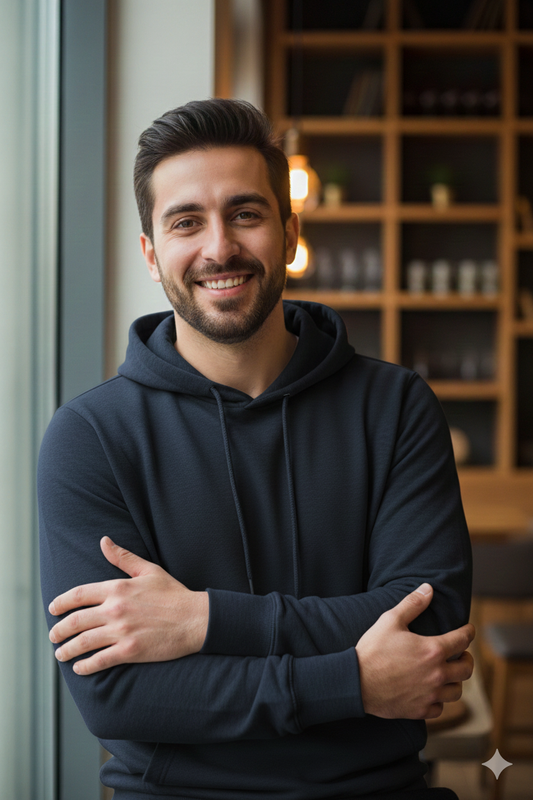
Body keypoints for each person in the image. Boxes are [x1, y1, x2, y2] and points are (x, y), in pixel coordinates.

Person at [39, 99, 474, 800]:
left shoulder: (394, 407)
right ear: (151, 253)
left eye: (245, 213)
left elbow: (429, 629)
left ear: (287, 231)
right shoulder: (89, 436)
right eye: (186, 222)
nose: (218, 248)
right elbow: (116, 696)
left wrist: (202, 621)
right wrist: (351, 680)